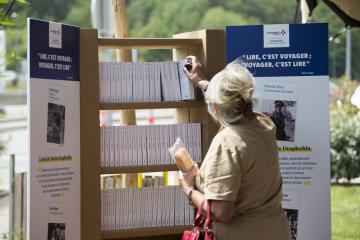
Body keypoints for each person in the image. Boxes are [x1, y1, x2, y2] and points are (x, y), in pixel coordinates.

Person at [178, 56, 291, 240]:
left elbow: (222, 212)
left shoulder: (226, 142)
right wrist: (203, 83)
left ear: (214, 107)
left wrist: (189, 190)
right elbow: (236, 109)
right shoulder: (264, 124)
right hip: (276, 230)